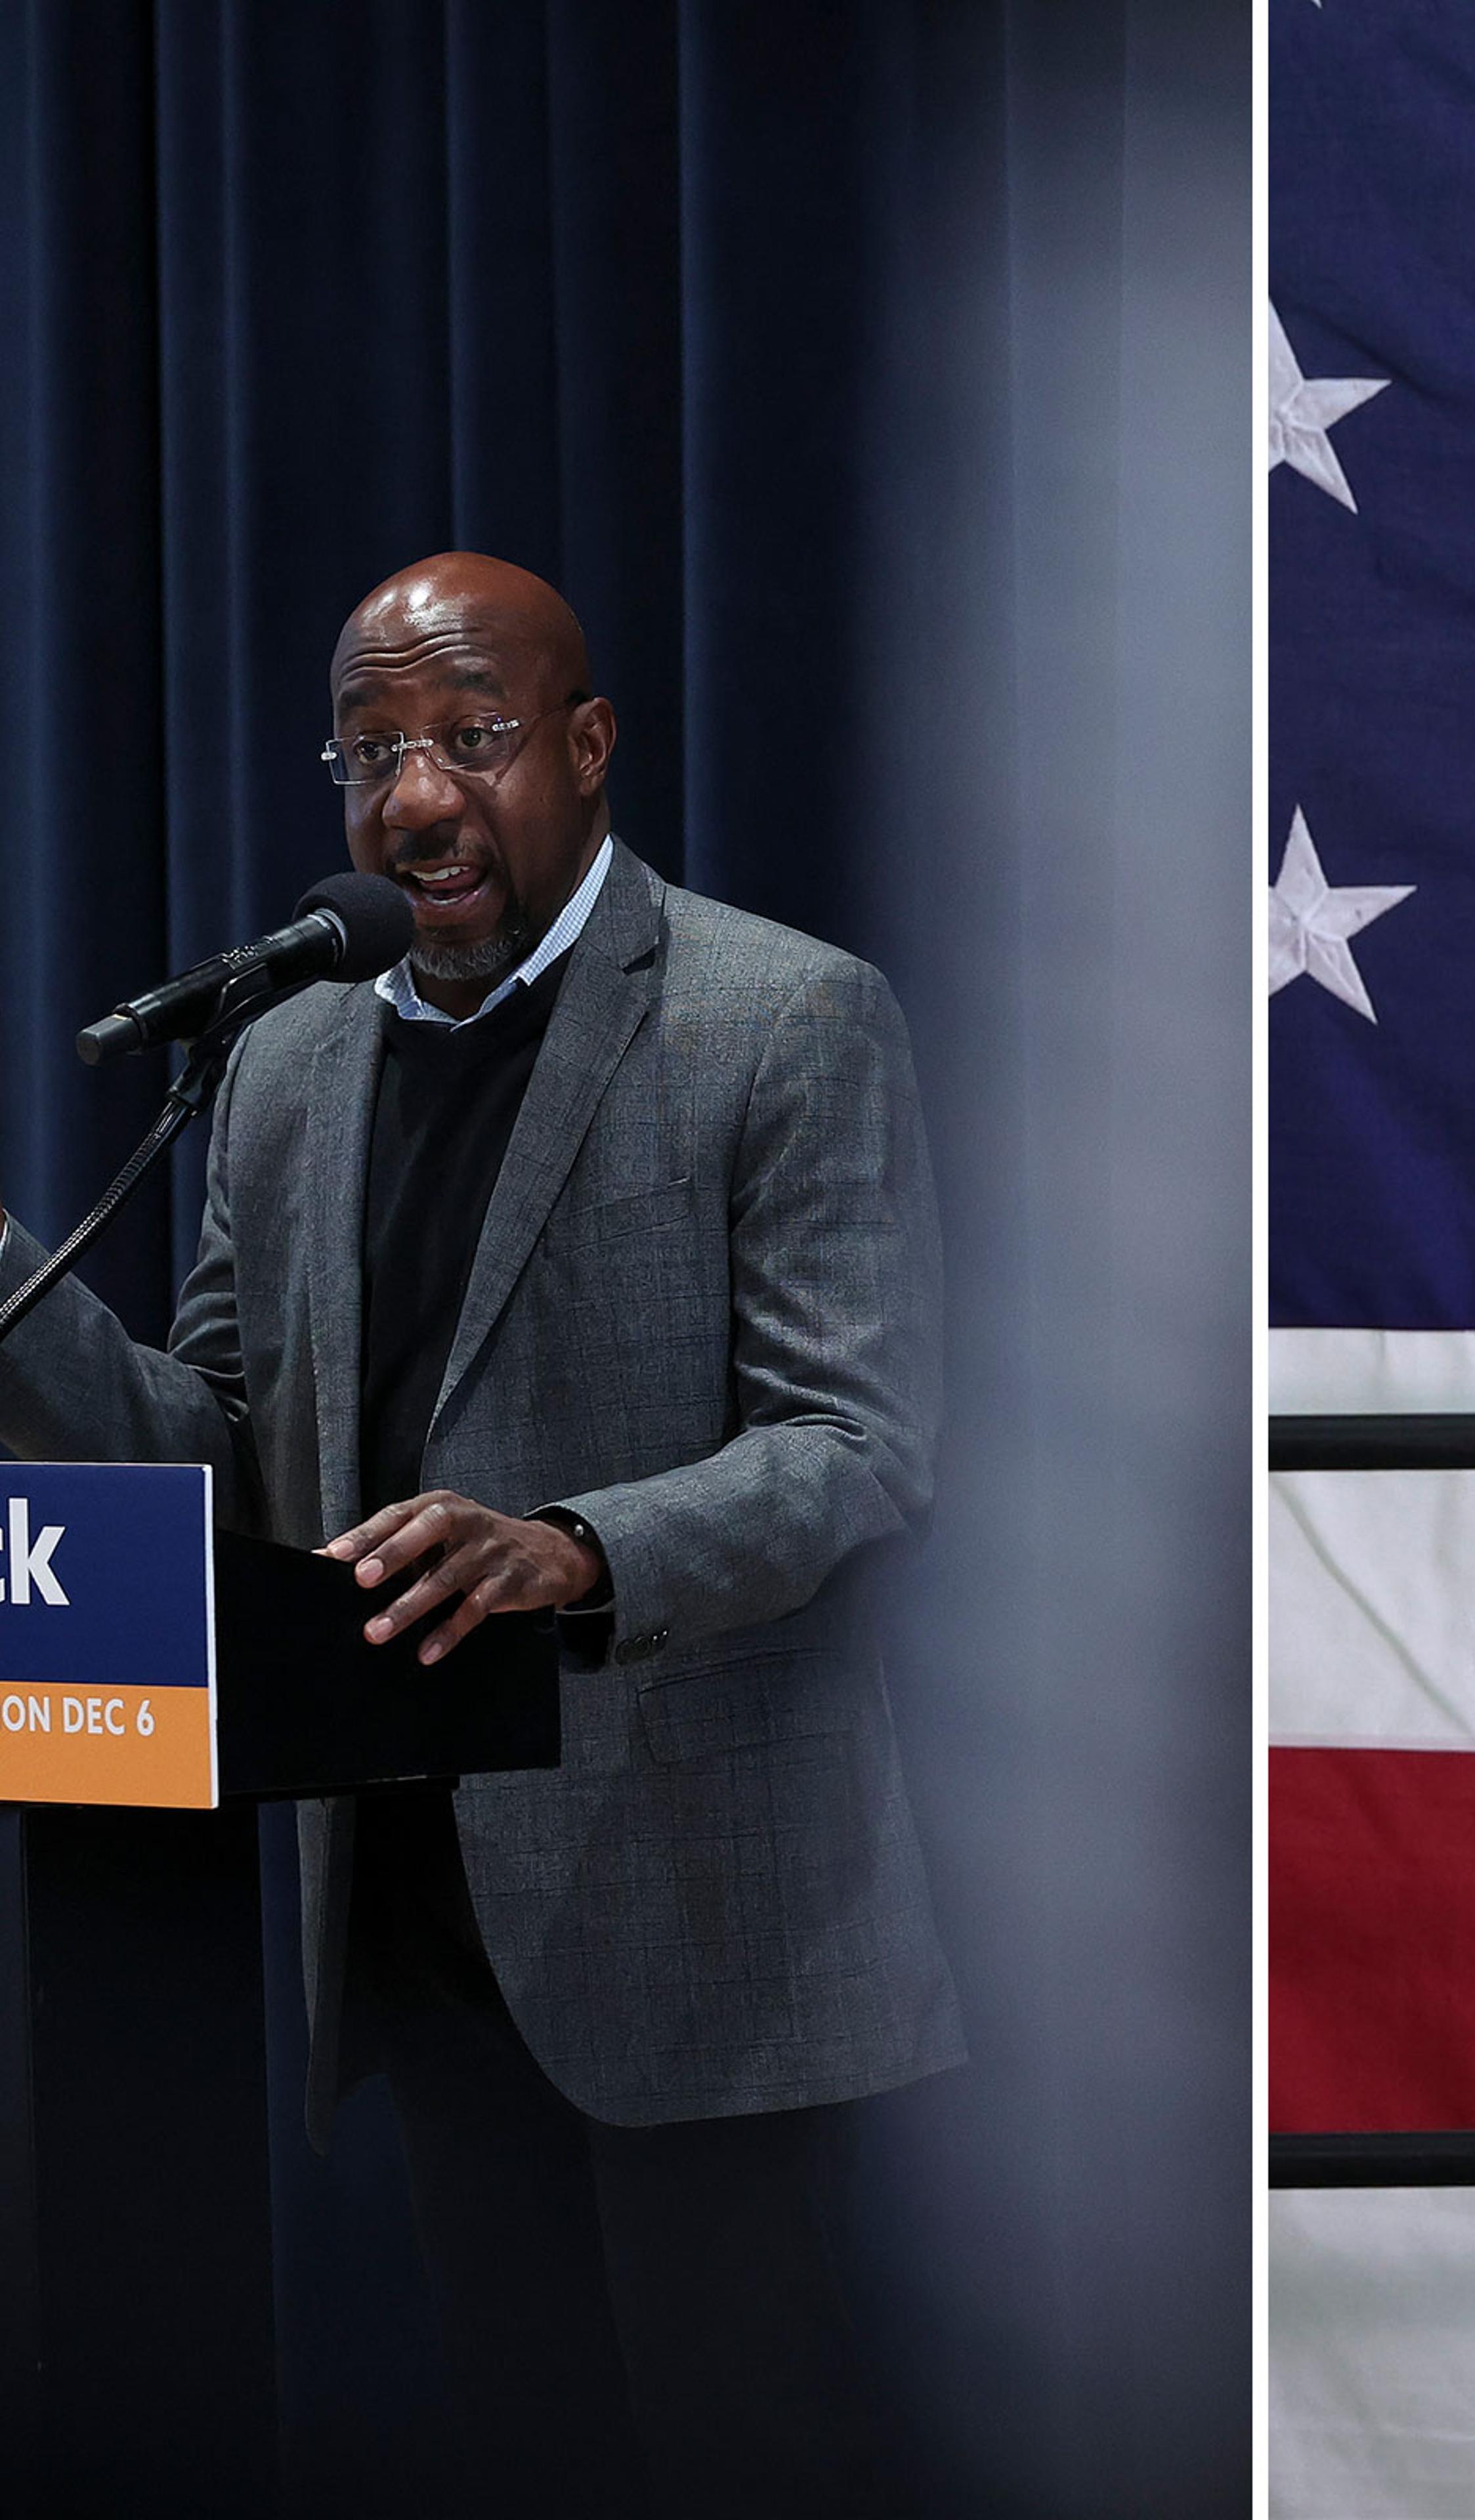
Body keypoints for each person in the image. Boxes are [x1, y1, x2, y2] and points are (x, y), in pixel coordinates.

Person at [0, 553, 958, 2512]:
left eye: (472, 739)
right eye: (371, 754)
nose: (414, 798)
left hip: (714, 1945)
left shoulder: (782, 1017)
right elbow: (219, 1457)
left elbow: (858, 1445)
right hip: (423, 1926)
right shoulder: (285, 1063)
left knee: (759, 2463)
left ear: (589, 751)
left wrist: (578, 1548)